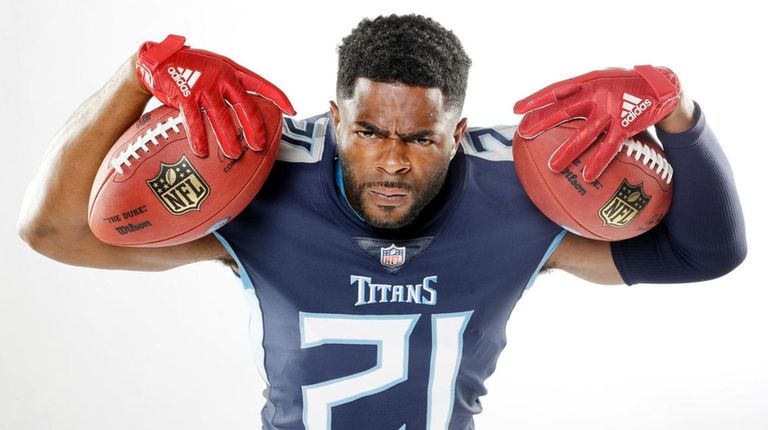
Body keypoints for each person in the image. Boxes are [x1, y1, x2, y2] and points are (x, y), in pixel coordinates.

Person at [18, 14, 746, 430]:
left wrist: (680, 116)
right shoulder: (257, 177)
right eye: (368, 132)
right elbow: (52, 231)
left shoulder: (522, 194)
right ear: (333, 121)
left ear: (458, 134)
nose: (393, 162)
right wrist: (140, 74)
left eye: (422, 138)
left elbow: (704, 255)